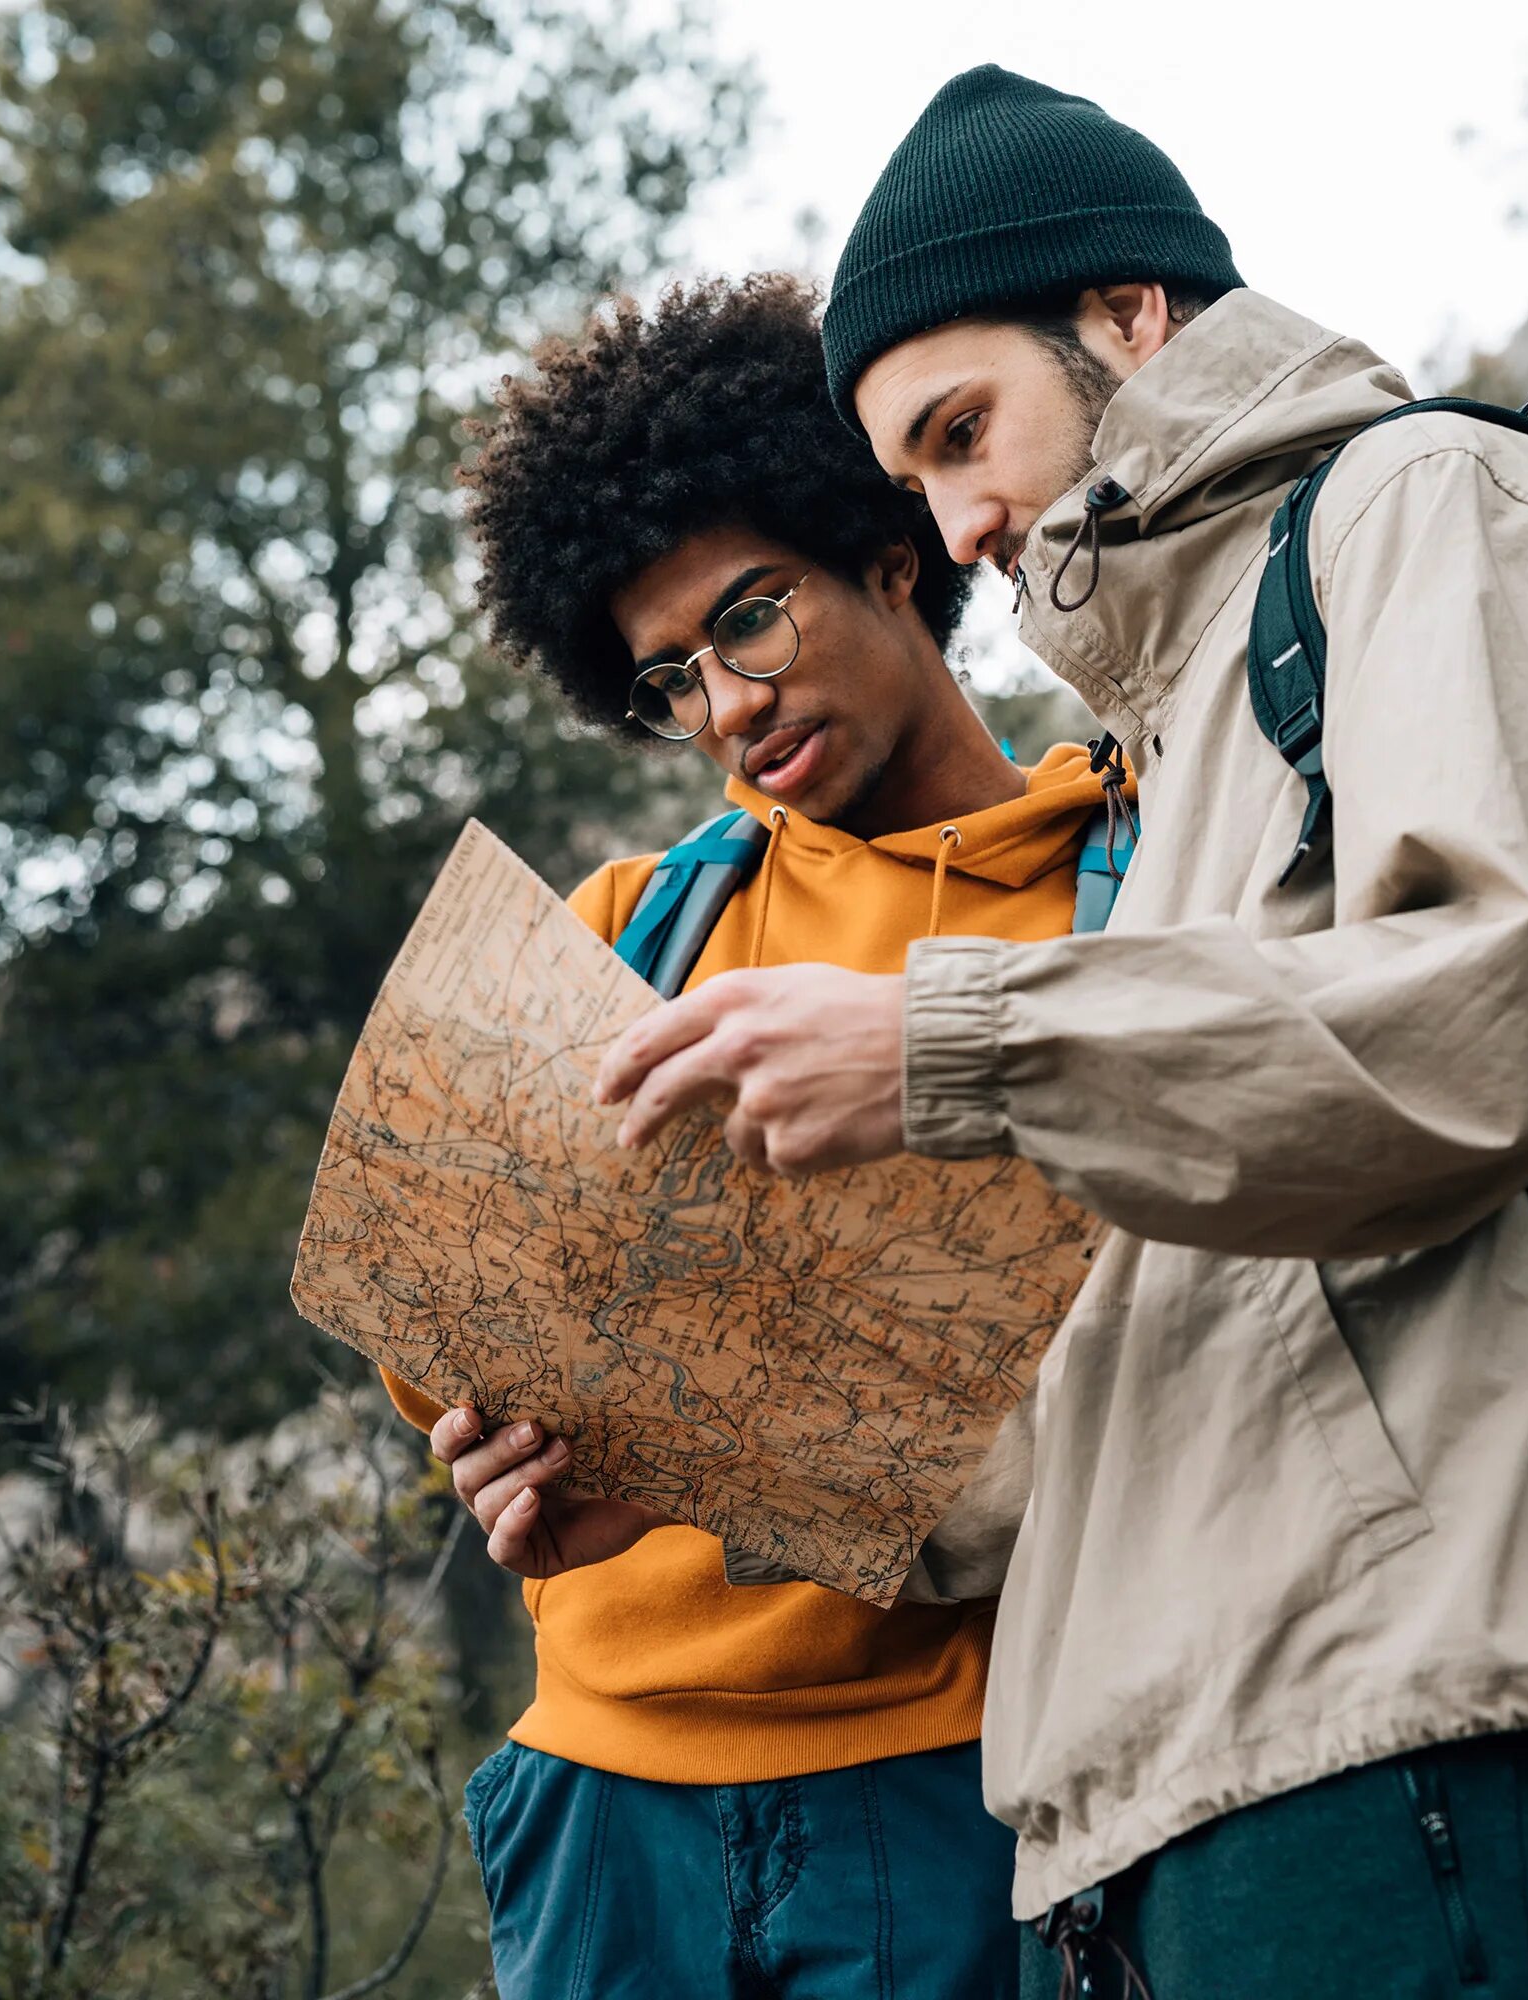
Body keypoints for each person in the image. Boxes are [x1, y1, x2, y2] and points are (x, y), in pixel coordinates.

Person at [586, 68, 1528, 1998]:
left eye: (964, 431)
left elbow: (1488, 1018)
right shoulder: (1172, 741)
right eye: (915, 480)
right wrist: (697, 1462)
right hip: (1134, 1824)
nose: (957, 527)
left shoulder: (1427, 503)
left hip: (1405, 1729)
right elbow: (1132, 1377)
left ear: (1131, 313)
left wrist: (941, 1049)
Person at [402, 271, 1122, 2000]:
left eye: (748, 621)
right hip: (598, 1805)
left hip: (945, 1789)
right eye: (667, 679)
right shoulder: (624, 929)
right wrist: (484, 1440)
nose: (724, 706)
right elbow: (437, 1322)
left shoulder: (1128, 902)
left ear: (893, 557)